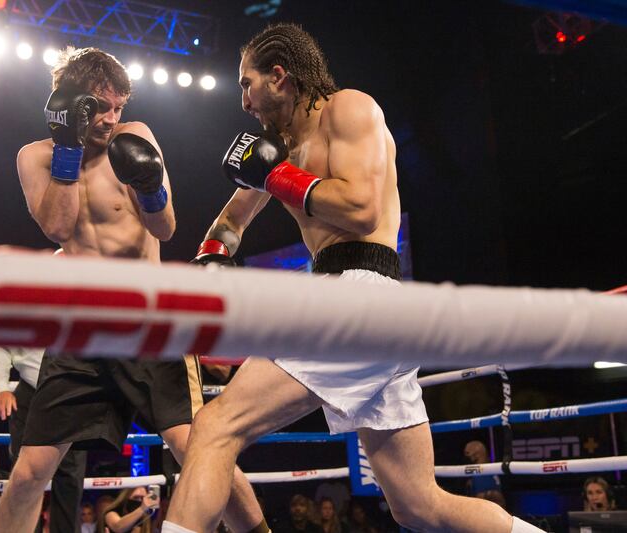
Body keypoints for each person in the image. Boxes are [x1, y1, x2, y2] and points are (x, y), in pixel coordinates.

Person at [163, 23, 544, 533]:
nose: (243, 101)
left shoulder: (349, 108)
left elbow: (361, 209)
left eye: (246, 83)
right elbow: (229, 223)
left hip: (360, 292)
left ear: (279, 76)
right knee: (420, 505)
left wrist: (275, 175)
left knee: (214, 425)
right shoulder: (277, 144)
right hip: (361, 306)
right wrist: (214, 255)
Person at [0, 46, 265, 533]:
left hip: (148, 322)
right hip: (81, 331)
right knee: (31, 470)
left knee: (196, 446)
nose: (112, 119)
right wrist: (68, 148)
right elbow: (57, 226)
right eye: (101, 106)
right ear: (73, 102)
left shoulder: (135, 136)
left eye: (119, 106)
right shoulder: (35, 156)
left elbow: (165, 228)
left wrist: (151, 186)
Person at [0, 345, 87, 533]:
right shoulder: (18, 316)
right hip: (31, 391)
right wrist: (1, 387)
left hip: (74, 393)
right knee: (24, 480)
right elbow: (0, 341)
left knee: (70, 479)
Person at [463, 440, 505, 508]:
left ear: (477, 454)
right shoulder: (489, 469)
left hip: (485, 512)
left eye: (467, 453)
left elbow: (498, 498)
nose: (466, 456)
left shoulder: (481, 473)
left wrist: (487, 494)